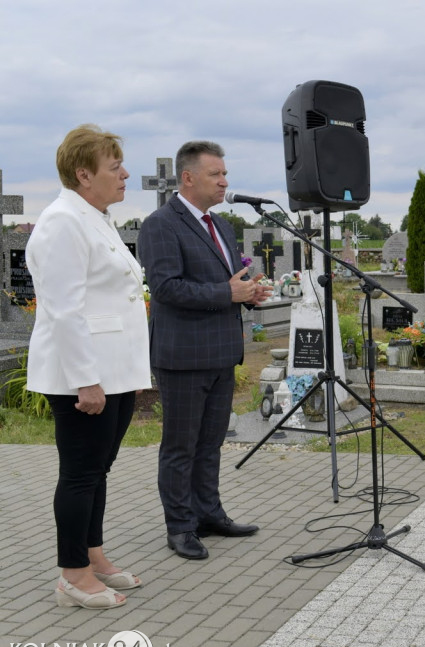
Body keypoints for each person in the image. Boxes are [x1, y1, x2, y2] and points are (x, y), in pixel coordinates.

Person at [26, 124, 150, 608]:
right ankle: (72, 577)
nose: (124, 174)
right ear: (84, 174)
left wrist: (127, 375)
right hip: (85, 375)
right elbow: (64, 309)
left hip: (113, 371)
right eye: (114, 166)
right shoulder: (63, 221)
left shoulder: (95, 217)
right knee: (80, 473)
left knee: (99, 471)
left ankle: (93, 555)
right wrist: (87, 380)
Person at [137, 141, 272, 560]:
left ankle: (209, 513)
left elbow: (230, 281)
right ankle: (180, 527)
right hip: (182, 355)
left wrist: (249, 293)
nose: (225, 181)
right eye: (216, 174)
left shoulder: (222, 225)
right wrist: (226, 291)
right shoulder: (161, 224)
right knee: (181, 446)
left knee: (211, 442)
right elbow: (165, 287)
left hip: (220, 351)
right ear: (189, 177)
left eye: (225, 173)